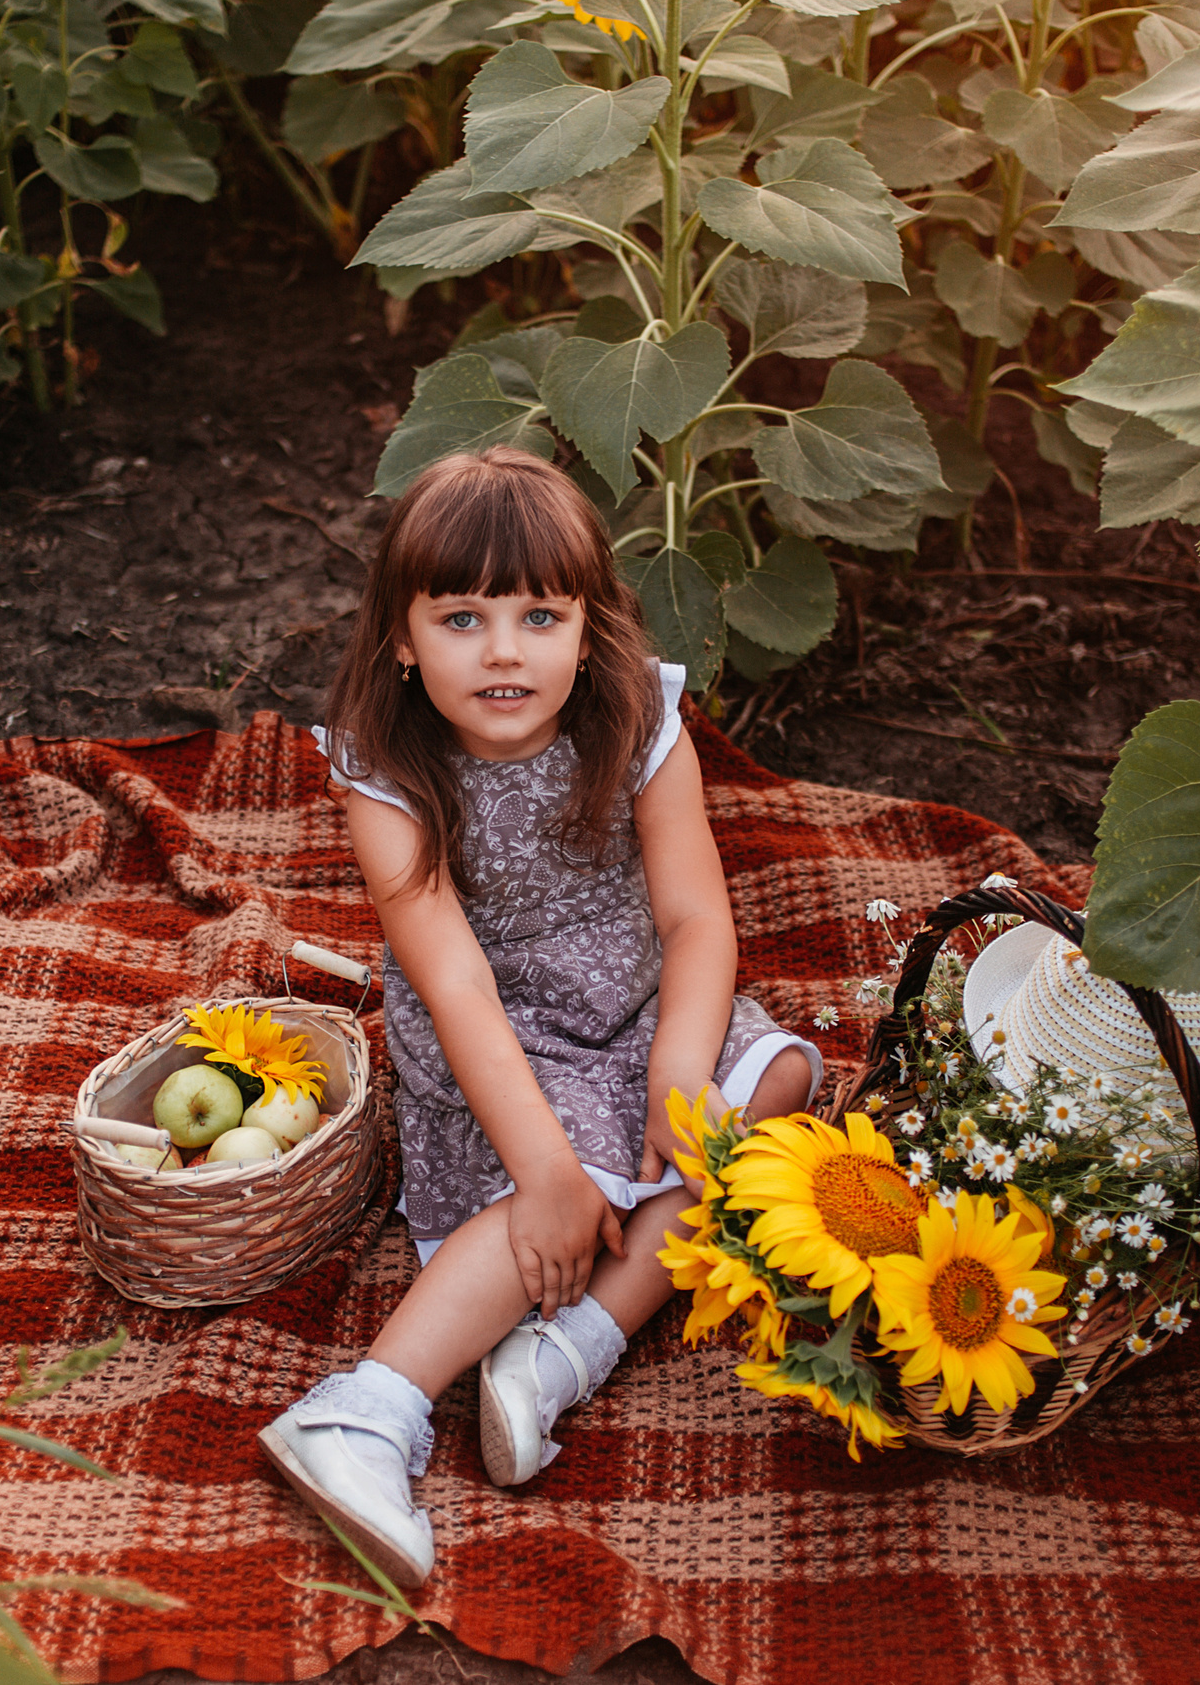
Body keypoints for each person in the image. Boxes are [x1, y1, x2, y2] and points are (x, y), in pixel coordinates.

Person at [258, 447, 823, 1587]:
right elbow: (456, 981)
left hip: (633, 1004)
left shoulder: (638, 720)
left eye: (539, 615)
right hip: (501, 1040)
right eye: (462, 617)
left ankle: (561, 1352)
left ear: (589, 627)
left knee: (771, 1090)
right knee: (553, 1190)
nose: (505, 650)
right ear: (403, 641)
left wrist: (676, 1073)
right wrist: (549, 1175)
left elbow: (695, 921)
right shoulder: (384, 768)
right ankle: (368, 1410)